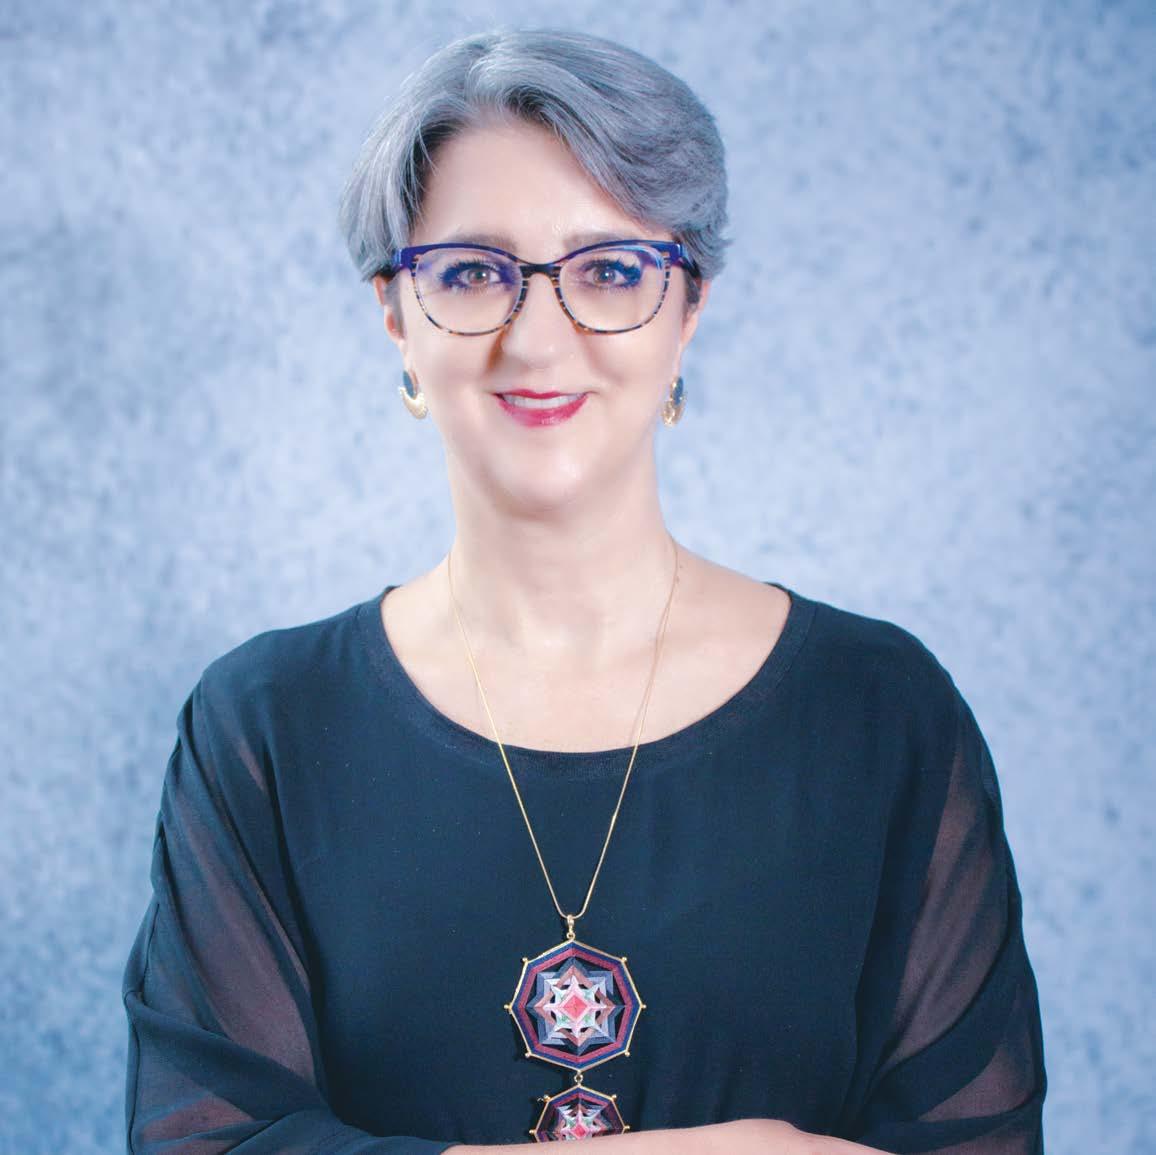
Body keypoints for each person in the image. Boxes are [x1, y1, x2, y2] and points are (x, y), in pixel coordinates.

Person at [121, 27, 1047, 1154]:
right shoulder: (267, 725)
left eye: (609, 270)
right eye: (473, 272)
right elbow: (206, 1143)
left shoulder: (880, 712)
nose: (539, 336)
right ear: (394, 313)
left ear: (690, 306)